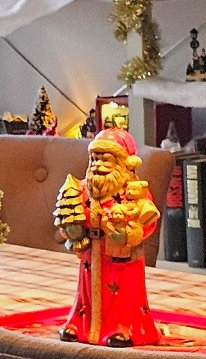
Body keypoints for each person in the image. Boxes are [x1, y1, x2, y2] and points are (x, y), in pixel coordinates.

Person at [54, 128, 161, 346]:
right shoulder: (83, 190)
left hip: (122, 261)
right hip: (91, 258)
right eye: (95, 159)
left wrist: (129, 232)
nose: (98, 165)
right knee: (86, 294)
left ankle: (122, 328)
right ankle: (81, 324)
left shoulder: (134, 193)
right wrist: (73, 225)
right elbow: (70, 216)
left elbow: (147, 220)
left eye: (106, 159)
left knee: (123, 295)